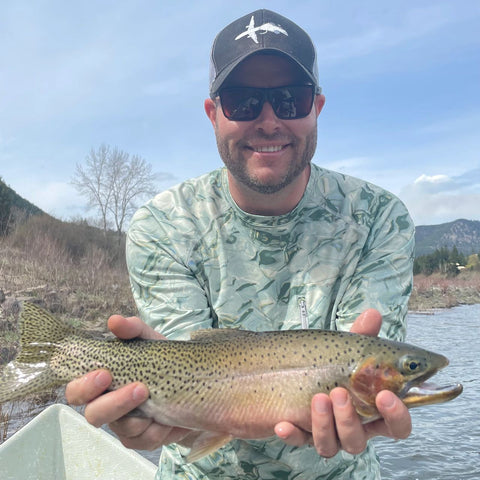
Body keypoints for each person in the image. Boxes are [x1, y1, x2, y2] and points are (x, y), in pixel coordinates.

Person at [66, 9, 415, 479]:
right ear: (213, 114)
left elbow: (360, 372)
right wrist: (145, 404)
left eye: (291, 100)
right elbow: (184, 360)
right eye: (243, 101)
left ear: (317, 108)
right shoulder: (163, 224)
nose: (269, 121)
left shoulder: (379, 218)